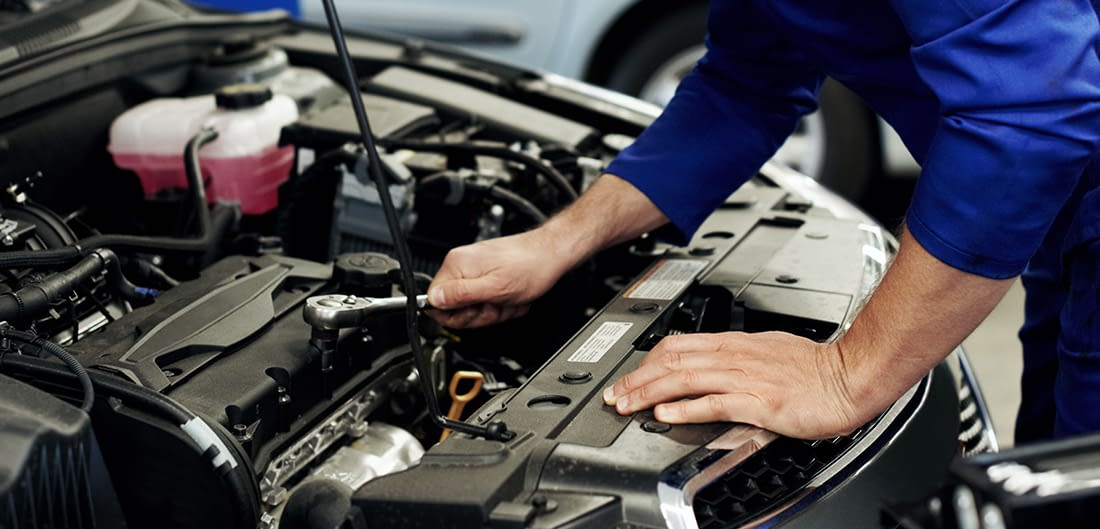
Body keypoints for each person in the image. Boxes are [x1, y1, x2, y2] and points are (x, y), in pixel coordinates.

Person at [426, 0, 1100, 443]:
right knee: (1050, 480)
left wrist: (847, 372)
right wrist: (556, 242)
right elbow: (745, 85)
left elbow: (1028, 115)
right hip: (1063, 220)